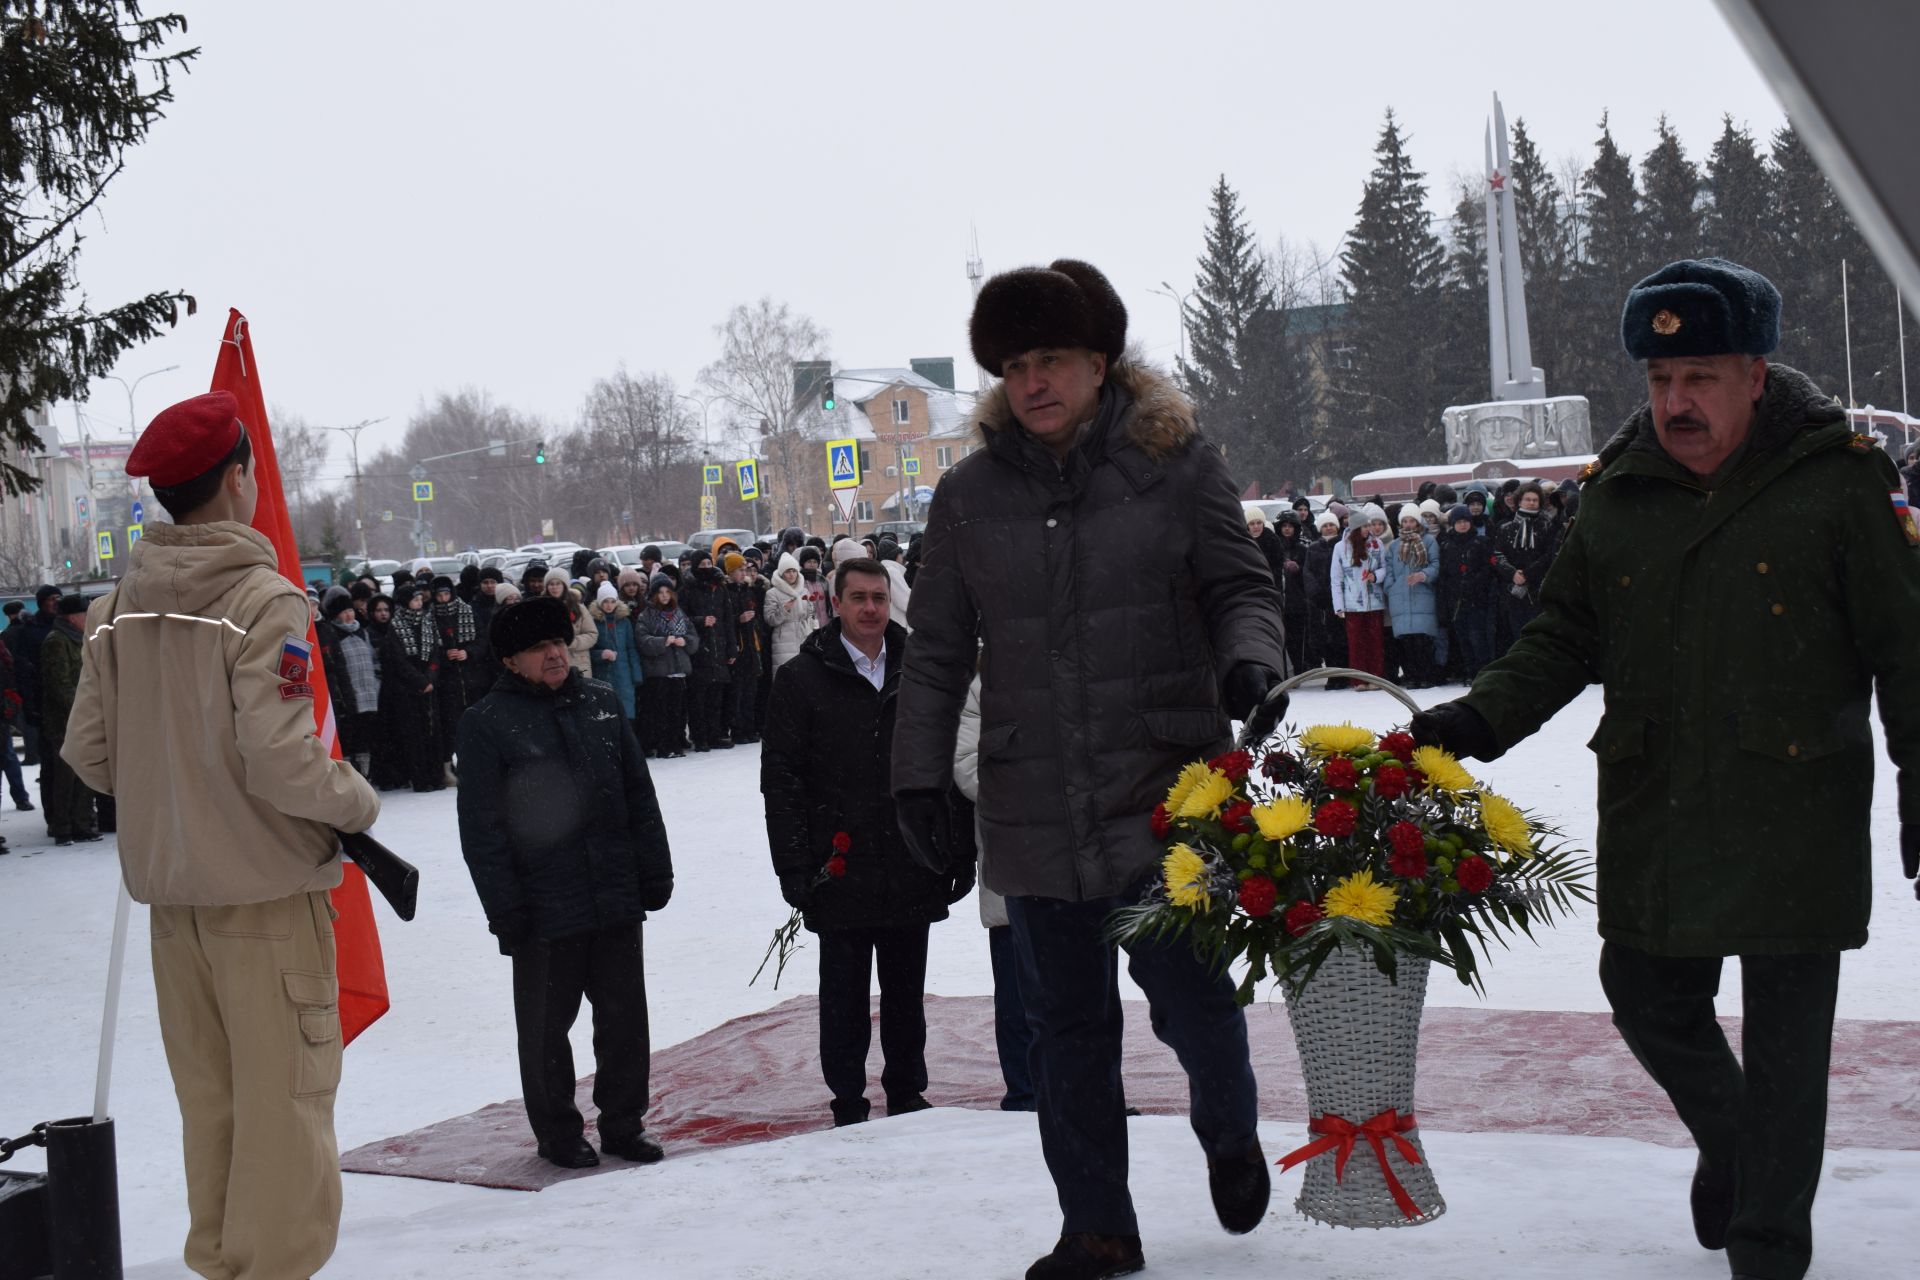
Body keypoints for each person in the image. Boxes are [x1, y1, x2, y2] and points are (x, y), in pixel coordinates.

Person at [1412, 258, 1920, 1280]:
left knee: (1787, 1043)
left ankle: (1770, 1241)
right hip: (1660, 801)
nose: (1675, 403)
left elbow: (1906, 647)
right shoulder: (1620, 492)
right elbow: (1563, 635)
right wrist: (1474, 716)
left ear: (1755, 375)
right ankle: (1733, 1140)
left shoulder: (1837, 480)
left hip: (1796, 801)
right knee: (1643, 991)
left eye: (1699, 378)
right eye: (1658, 381)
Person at [891, 259, 1287, 1280]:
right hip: (1033, 805)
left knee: (1194, 1000)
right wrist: (918, 777)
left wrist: (1253, 658)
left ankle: (1229, 1127)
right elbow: (935, 650)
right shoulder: (970, 495)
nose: (1033, 381)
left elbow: (1240, 585)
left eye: (1052, 359)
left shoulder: (1176, 464)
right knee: (1065, 1027)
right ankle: (1097, 1223)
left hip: (1164, 790)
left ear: (1099, 364)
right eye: (1016, 364)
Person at [61, 390, 380, 1279]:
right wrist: (357, 802)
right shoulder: (261, 599)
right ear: (238, 478)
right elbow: (284, 762)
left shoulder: (117, 608)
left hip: (176, 912)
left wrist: (176, 788)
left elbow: (89, 754)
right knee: (285, 1113)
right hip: (268, 905)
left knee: (216, 1111)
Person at [458, 595, 673, 1169]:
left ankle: (625, 1123)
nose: (555, 654)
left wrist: (654, 869)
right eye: (538, 648)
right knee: (547, 1030)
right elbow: (482, 831)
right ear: (510, 660)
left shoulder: (600, 703)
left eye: (558, 642)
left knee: (625, 1018)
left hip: (614, 891)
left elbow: (638, 796)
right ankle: (557, 1132)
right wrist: (506, 909)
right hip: (542, 905)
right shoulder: (486, 724)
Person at [762, 558, 966, 1126]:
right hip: (840, 863)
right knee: (844, 996)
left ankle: (906, 1090)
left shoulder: (920, 671)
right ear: (836, 603)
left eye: (879, 597)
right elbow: (782, 780)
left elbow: (950, 763)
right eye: (859, 598)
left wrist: (957, 849)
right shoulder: (801, 681)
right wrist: (795, 866)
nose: (871, 609)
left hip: (910, 859)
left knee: (906, 992)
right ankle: (847, 1098)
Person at [38, 594, 98, 843]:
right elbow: (59, 685)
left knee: (83, 774)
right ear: (73, 617)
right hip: (64, 721)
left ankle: (82, 823)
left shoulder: (79, 639)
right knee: (65, 777)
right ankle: (62, 826)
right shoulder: (57, 642)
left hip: (81, 718)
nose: (88, 619)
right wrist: (83, 708)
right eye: (85, 614)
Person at [382, 583, 445, 793]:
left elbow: (436, 653)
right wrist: (420, 681)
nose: (419, 603)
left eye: (420, 599)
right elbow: (398, 661)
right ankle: (421, 779)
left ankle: (437, 777)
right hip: (408, 690)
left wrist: (431, 678)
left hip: (429, 684)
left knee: (433, 732)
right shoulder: (395, 626)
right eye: (415, 599)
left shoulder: (428, 621)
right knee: (415, 735)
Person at [316, 586, 380, 777]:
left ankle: (366, 773)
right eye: (344, 612)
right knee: (352, 735)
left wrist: (376, 682)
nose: (349, 615)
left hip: (370, 692)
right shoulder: (334, 634)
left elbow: (373, 660)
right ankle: (354, 774)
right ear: (336, 615)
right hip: (350, 694)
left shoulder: (362, 632)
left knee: (367, 736)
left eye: (350, 610)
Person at [1433, 504, 1500, 681]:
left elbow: (1489, 568)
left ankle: (1482, 671)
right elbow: (1444, 575)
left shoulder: (1481, 542)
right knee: (1462, 639)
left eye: (1465, 521)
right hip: (1456, 600)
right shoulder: (1447, 545)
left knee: (1478, 637)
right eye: (1459, 522)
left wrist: (1474, 582)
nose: (1462, 525)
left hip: (1478, 599)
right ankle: (1469, 672)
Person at [633, 573, 695, 758]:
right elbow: (642, 641)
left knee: (677, 711)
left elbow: (693, 636)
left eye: (668, 591)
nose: (665, 595)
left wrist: (686, 641)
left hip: (679, 670)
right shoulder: (647, 616)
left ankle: (676, 743)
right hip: (659, 672)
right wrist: (663, 641)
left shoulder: (679, 613)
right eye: (660, 592)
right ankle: (663, 746)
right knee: (660, 711)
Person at [678, 550, 735, 751]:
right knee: (698, 697)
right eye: (701, 565)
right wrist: (701, 621)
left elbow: (728, 618)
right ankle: (699, 736)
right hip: (699, 648)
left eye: (708, 563)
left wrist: (731, 648)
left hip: (719, 647)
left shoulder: (719, 587)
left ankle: (715, 734)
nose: (706, 568)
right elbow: (681, 618)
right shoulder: (687, 589)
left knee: (716, 696)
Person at [1380, 509, 1440, 687]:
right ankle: (1412, 675)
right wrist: (1391, 588)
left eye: (1411, 521)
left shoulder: (1428, 541)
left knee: (1423, 640)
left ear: (1418, 522)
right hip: (1400, 597)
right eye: (1404, 521)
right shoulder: (1395, 545)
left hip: (1422, 595)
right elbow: (1389, 570)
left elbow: (1435, 565)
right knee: (1407, 642)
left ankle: (1426, 675)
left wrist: (1423, 575)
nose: (1408, 525)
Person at [1330, 510, 1388, 689]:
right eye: (1364, 526)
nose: (1368, 529)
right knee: (1356, 643)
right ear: (1355, 528)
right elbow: (1336, 578)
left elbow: (1385, 567)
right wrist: (1338, 606)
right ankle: (1358, 679)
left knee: (1375, 641)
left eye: (1369, 525)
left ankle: (1376, 677)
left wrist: (1376, 576)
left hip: (1374, 601)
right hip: (1352, 604)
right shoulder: (1341, 547)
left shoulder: (1376, 544)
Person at [11, 584, 61, 766]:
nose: (56, 603)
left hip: (65, 698)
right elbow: (22, 668)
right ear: (42, 603)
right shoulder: (29, 630)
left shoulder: (66, 625)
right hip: (42, 698)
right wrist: (29, 703)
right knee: (48, 757)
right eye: (51, 599)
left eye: (58, 598)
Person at [1301, 510, 1348, 684]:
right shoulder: (1313, 548)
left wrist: (1335, 591)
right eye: (1325, 525)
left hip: (1339, 600)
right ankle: (1332, 676)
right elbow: (1308, 573)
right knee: (1325, 641)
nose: (1329, 528)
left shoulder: (1343, 545)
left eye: (1331, 525)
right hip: (1320, 603)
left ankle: (1344, 674)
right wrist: (1315, 592)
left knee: (1341, 639)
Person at [588, 581, 642, 729]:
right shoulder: (594, 622)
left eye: (612, 601)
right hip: (603, 675)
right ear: (600, 603)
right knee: (608, 714)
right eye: (605, 601)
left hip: (624, 675)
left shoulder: (624, 622)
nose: (609, 605)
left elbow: (631, 648)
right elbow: (589, 651)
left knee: (627, 713)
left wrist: (636, 675)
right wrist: (601, 654)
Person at [764, 551, 819, 670]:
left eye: (794, 571)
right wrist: (784, 610)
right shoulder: (772, 593)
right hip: (783, 640)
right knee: (786, 675)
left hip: (804, 636)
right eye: (788, 571)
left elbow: (811, 614)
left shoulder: (804, 591)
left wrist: (814, 629)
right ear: (782, 573)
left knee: (806, 675)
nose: (791, 574)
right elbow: (770, 619)